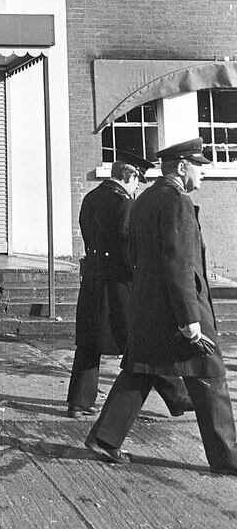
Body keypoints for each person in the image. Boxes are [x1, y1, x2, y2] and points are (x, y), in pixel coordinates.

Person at [84, 137, 237, 474]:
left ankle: (105, 438)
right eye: (199, 167)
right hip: (180, 309)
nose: (203, 175)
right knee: (212, 376)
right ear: (182, 168)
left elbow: (133, 255)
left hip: (149, 305)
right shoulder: (177, 202)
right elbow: (179, 264)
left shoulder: (144, 199)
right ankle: (228, 458)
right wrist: (190, 320)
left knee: (142, 370)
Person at [67, 157, 191, 418]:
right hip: (120, 284)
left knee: (89, 341)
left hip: (93, 280)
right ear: (130, 176)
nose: (136, 188)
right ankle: (177, 397)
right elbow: (128, 247)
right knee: (143, 340)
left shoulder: (90, 198)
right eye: (137, 181)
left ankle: (79, 401)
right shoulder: (125, 203)